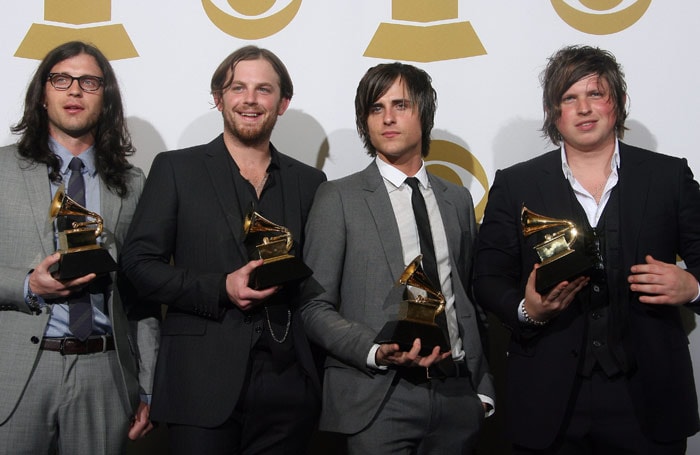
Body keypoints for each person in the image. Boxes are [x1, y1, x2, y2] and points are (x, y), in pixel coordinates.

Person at [474, 44, 700, 454]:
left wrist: (693, 288)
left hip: (650, 397)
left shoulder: (669, 176)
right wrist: (527, 310)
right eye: (569, 98)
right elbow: (487, 276)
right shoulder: (516, 184)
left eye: (595, 94)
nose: (584, 108)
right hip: (546, 398)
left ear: (619, 102)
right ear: (554, 112)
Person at [120, 45, 325, 454]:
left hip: (288, 388)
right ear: (218, 98)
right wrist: (220, 287)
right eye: (238, 87)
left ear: (282, 103)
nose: (250, 99)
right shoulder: (175, 169)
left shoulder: (311, 182)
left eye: (264, 89)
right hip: (198, 383)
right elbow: (137, 266)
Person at [300, 62, 494, 454]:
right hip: (379, 397)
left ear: (424, 114)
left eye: (400, 105)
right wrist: (374, 350)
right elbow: (313, 306)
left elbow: (470, 296)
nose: (387, 118)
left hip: (457, 394)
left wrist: (482, 390)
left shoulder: (455, 199)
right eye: (375, 108)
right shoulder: (338, 198)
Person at [0, 41, 159, 454]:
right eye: (61, 79)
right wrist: (26, 285)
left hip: (104, 374)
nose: (74, 90)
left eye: (89, 81)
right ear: (42, 93)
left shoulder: (132, 182)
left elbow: (140, 293)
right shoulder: (0, 170)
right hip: (15, 375)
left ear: (105, 98)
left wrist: (149, 385)